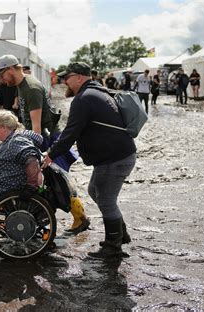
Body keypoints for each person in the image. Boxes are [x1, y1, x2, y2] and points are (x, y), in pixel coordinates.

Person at [42, 62, 136, 259]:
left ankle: (113, 246)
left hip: (114, 158)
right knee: (95, 190)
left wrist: (50, 155)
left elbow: (70, 133)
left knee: (105, 198)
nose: (64, 81)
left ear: (79, 77)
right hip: (116, 155)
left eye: (66, 78)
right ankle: (121, 234)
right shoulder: (97, 92)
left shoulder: (83, 99)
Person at [0, 54, 90, 234]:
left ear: (10, 69)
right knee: (54, 184)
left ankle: (80, 219)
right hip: (44, 139)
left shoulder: (30, 88)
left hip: (48, 141)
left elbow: (36, 128)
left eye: (1, 75)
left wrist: (28, 151)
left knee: (58, 184)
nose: (1, 80)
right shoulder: (22, 86)